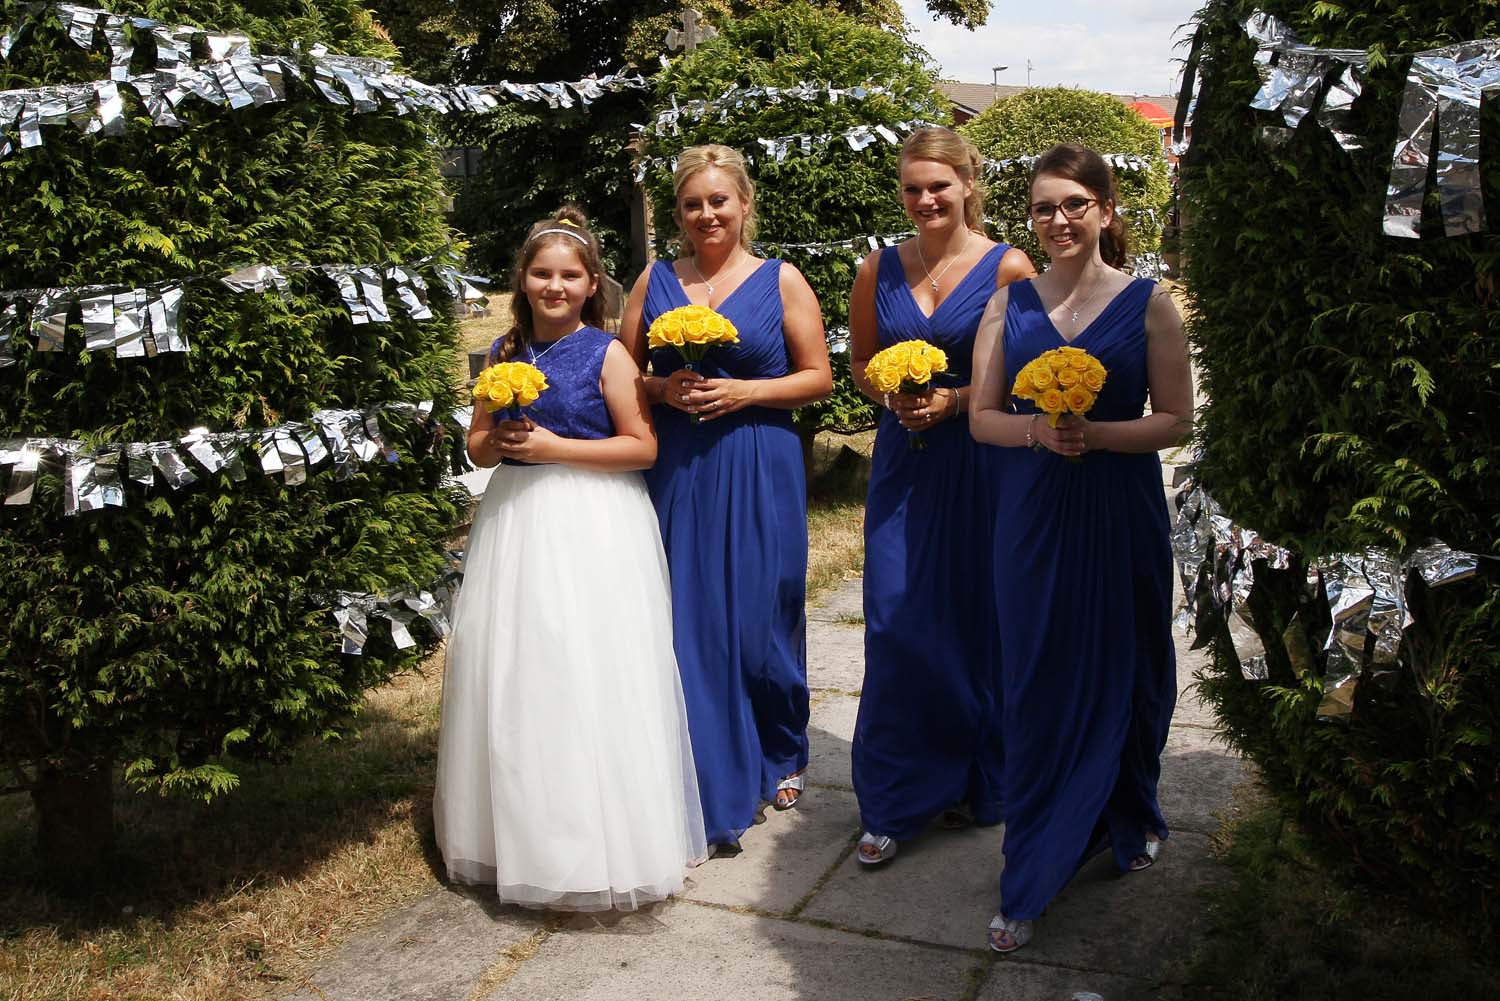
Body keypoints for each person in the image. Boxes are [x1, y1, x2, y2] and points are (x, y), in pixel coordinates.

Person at [433, 208, 707, 910]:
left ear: (591, 285)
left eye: (568, 276)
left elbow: (641, 447)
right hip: (516, 522)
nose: (554, 287)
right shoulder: (502, 352)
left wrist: (555, 447)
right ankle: (517, 834)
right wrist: (498, 442)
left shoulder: (607, 353)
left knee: (585, 666)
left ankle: (597, 842)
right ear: (522, 281)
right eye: (541, 274)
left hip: (592, 523)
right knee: (518, 667)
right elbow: (477, 445)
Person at [968, 144, 1193, 951]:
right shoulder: (1008, 304)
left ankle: (1124, 811)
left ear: (1104, 208)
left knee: (1129, 667)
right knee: (1038, 679)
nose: (1058, 220)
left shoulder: (1150, 304)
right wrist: (1039, 428)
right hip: (1034, 516)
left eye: (1073, 204)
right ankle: (1033, 865)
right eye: (1043, 208)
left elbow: (1176, 419)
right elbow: (982, 419)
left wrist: (1096, 434)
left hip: (1120, 512)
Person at [619, 144, 833, 850]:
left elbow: (818, 377)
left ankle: (781, 744)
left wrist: (746, 391)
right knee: (690, 616)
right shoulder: (654, 280)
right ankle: (705, 765)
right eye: (692, 204)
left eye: (718, 201)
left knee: (764, 610)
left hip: (758, 458)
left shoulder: (781, 279)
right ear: (677, 213)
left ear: (744, 203)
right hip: (679, 464)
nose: (706, 214)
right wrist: (661, 387)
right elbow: (618, 372)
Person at [846, 127, 1035, 866]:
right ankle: (894, 798)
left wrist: (955, 400)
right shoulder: (878, 268)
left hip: (979, 461)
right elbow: (862, 363)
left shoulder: (1007, 266)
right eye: (912, 189)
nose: (925, 200)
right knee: (894, 618)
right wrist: (891, 391)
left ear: (967, 185)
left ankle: (978, 779)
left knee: (976, 619)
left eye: (938, 187)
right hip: (904, 459)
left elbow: (1026, 370)